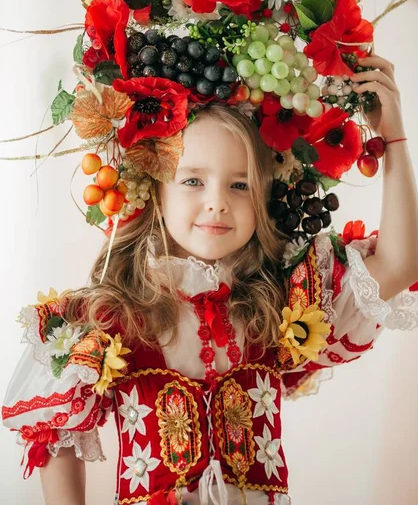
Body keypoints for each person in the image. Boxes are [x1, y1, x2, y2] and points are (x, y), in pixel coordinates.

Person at [2, 64, 418, 505]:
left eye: (240, 185)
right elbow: (55, 434)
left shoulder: (285, 300)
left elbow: (399, 265)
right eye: (193, 180)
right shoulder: (108, 317)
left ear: (263, 198)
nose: (217, 202)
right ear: (155, 190)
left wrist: (392, 136)